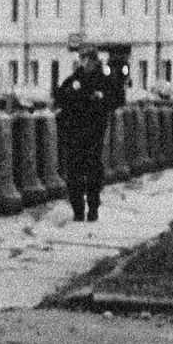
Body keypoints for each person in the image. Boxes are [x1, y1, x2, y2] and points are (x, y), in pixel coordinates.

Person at [57, 43, 112, 225]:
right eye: (82, 59)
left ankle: (93, 208)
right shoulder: (75, 78)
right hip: (73, 132)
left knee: (93, 171)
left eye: (86, 59)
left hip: (93, 133)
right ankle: (78, 210)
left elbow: (112, 100)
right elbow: (59, 96)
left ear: (93, 60)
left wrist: (96, 99)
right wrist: (73, 92)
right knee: (74, 172)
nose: (83, 62)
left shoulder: (102, 79)